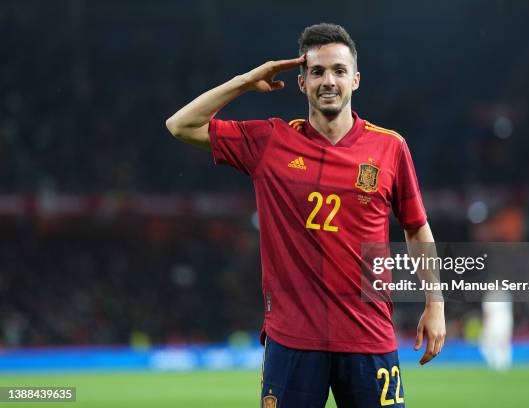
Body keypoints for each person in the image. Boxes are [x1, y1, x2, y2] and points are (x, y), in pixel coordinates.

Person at [166, 23, 445, 408]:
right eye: (317, 72)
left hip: (368, 337)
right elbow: (180, 125)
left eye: (339, 71)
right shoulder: (270, 142)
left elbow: (416, 228)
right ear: (301, 82)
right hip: (292, 342)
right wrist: (246, 81)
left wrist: (435, 304)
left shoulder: (390, 148)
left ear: (356, 80)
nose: (328, 81)